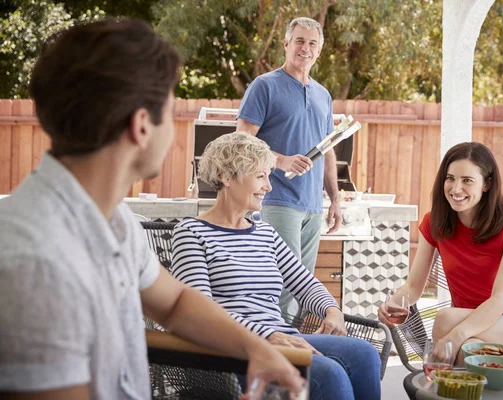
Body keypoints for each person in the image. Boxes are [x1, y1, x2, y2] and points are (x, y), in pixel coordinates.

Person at [0, 18, 304, 399]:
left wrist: (255, 348)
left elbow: (175, 302)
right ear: (141, 127)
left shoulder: (113, 219)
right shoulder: (37, 258)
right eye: (171, 113)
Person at [171, 132, 381, 400]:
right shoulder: (191, 232)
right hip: (229, 351)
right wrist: (266, 335)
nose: (268, 187)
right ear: (227, 177)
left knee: (364, 354)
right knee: (329, 374)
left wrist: (332, 310)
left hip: (279, 338)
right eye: (260, 176)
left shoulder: (264, 233)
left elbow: (303, 282)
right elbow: (200, 312)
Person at [378, 142, 503, 371]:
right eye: (450, 178)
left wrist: (454, 335)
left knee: (446, 320)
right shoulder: (435, 222)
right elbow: (413, 287)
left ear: (487, 184)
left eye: (467, 180)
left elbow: (500, 300)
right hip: (469, 328)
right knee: (467, 349)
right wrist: (393, 303)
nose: (456, 188)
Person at [236, 17, 342, 317]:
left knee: (302, 288)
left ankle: (290, 350)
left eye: (312, 43)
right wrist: (281, 161)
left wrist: (334, 197)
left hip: (312, 206)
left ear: (319, 51)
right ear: (286, 44)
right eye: (299, 41)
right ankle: (273, 350)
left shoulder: (323, 95)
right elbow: (242, 140)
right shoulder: (265, 86)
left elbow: (327, 150)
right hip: (277, 199)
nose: (305, 49)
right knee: (280, 284)